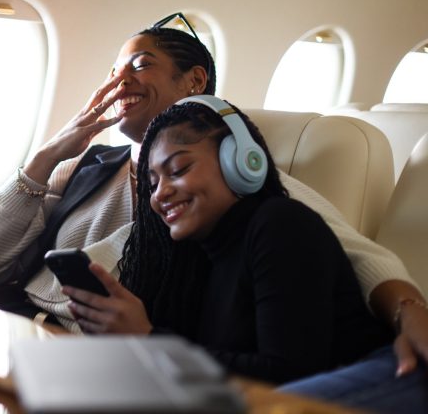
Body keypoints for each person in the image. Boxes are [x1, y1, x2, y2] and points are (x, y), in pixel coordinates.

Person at [0, 13, 428, 375]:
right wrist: (48, 155)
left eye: (141, 65)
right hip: (33, 341)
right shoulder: (86, 168)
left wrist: (408, 310)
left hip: (114, 364)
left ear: (195, 81)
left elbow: (360, 257)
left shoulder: (241, 188)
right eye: (114, 70)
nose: (121, 81)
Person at [62, 97, 427, 412]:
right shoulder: (194, 257)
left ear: (242, 160)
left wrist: (149, 340)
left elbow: (287, 373)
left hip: (396, 373)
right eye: (153, 184)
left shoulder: (280, 224)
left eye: (178, 170)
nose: (160, 194)